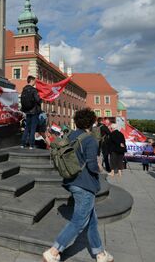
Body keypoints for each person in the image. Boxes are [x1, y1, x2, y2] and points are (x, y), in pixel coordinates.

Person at [42, 108, 114, 262]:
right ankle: (53, 252)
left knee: (91, 221)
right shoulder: (90, 140)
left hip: (71, 180)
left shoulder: (70, 135)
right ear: (92, 122)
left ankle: (100, 254)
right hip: (85, 184)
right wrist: (101, 168)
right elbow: (92, 166)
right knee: (79, 221)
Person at [20, 76, 42, 150]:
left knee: (26, 128)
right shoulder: (33, 90)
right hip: (34, 111)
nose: (35, 82)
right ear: (31, 81)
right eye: (34, 81)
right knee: (33, 128)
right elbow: (38, 100)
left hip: (27, 111)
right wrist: (40, 99)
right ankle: (31, 145)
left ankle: (23, 144)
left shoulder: (24, 89)